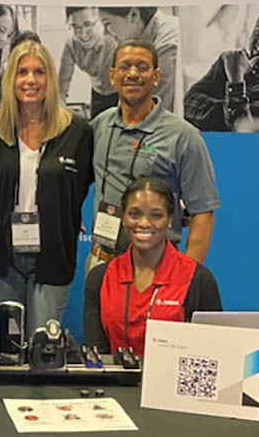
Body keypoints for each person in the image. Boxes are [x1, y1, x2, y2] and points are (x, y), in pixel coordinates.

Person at [0, 40, 93, 335]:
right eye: (22, 72)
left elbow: (83, 183)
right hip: (4, 257)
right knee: (11, 344)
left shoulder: (78, 130)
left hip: (54, 253)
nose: (30, 80)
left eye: (38, 72)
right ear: (11, 80)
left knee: (42, 343)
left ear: (50, 79)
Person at [89, 38, 219, 268]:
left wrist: (186, 274)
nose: (132, 74)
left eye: (142, 67)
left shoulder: (183, 136)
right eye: (124, 67)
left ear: (156, 76)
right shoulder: (100, 125)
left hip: (157, 266)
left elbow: (203, 213)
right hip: (102, 261)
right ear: (112, 76)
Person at [83, 177, 222, 359]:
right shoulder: (100, 278)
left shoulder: (198, 280)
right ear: (123, 218)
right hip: (115, 385)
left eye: (156, 215)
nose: (144, 223)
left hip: (173, 385)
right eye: (134, 214)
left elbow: (213, 354)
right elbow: (97, 355)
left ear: (170, 220)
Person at [183, 8, 259, 132]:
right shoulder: (229, 60)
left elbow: (246, 132)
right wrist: (233, 111)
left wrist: (236, 80)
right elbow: (188, 103)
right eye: (258, 32)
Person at [98, 6, 180, 112]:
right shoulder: (142, 43)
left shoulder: (166, 47)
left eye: (107, 24)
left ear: (134, 15)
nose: (105, 33)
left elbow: (146, 115)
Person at [60, 6, 118, 118]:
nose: (83, 34)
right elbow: (62, 86)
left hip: (121, 94)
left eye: (87, 24)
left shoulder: (116, 40)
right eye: (76, 27)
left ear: (100, 21)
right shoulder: (71, 45)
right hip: (98, 95)